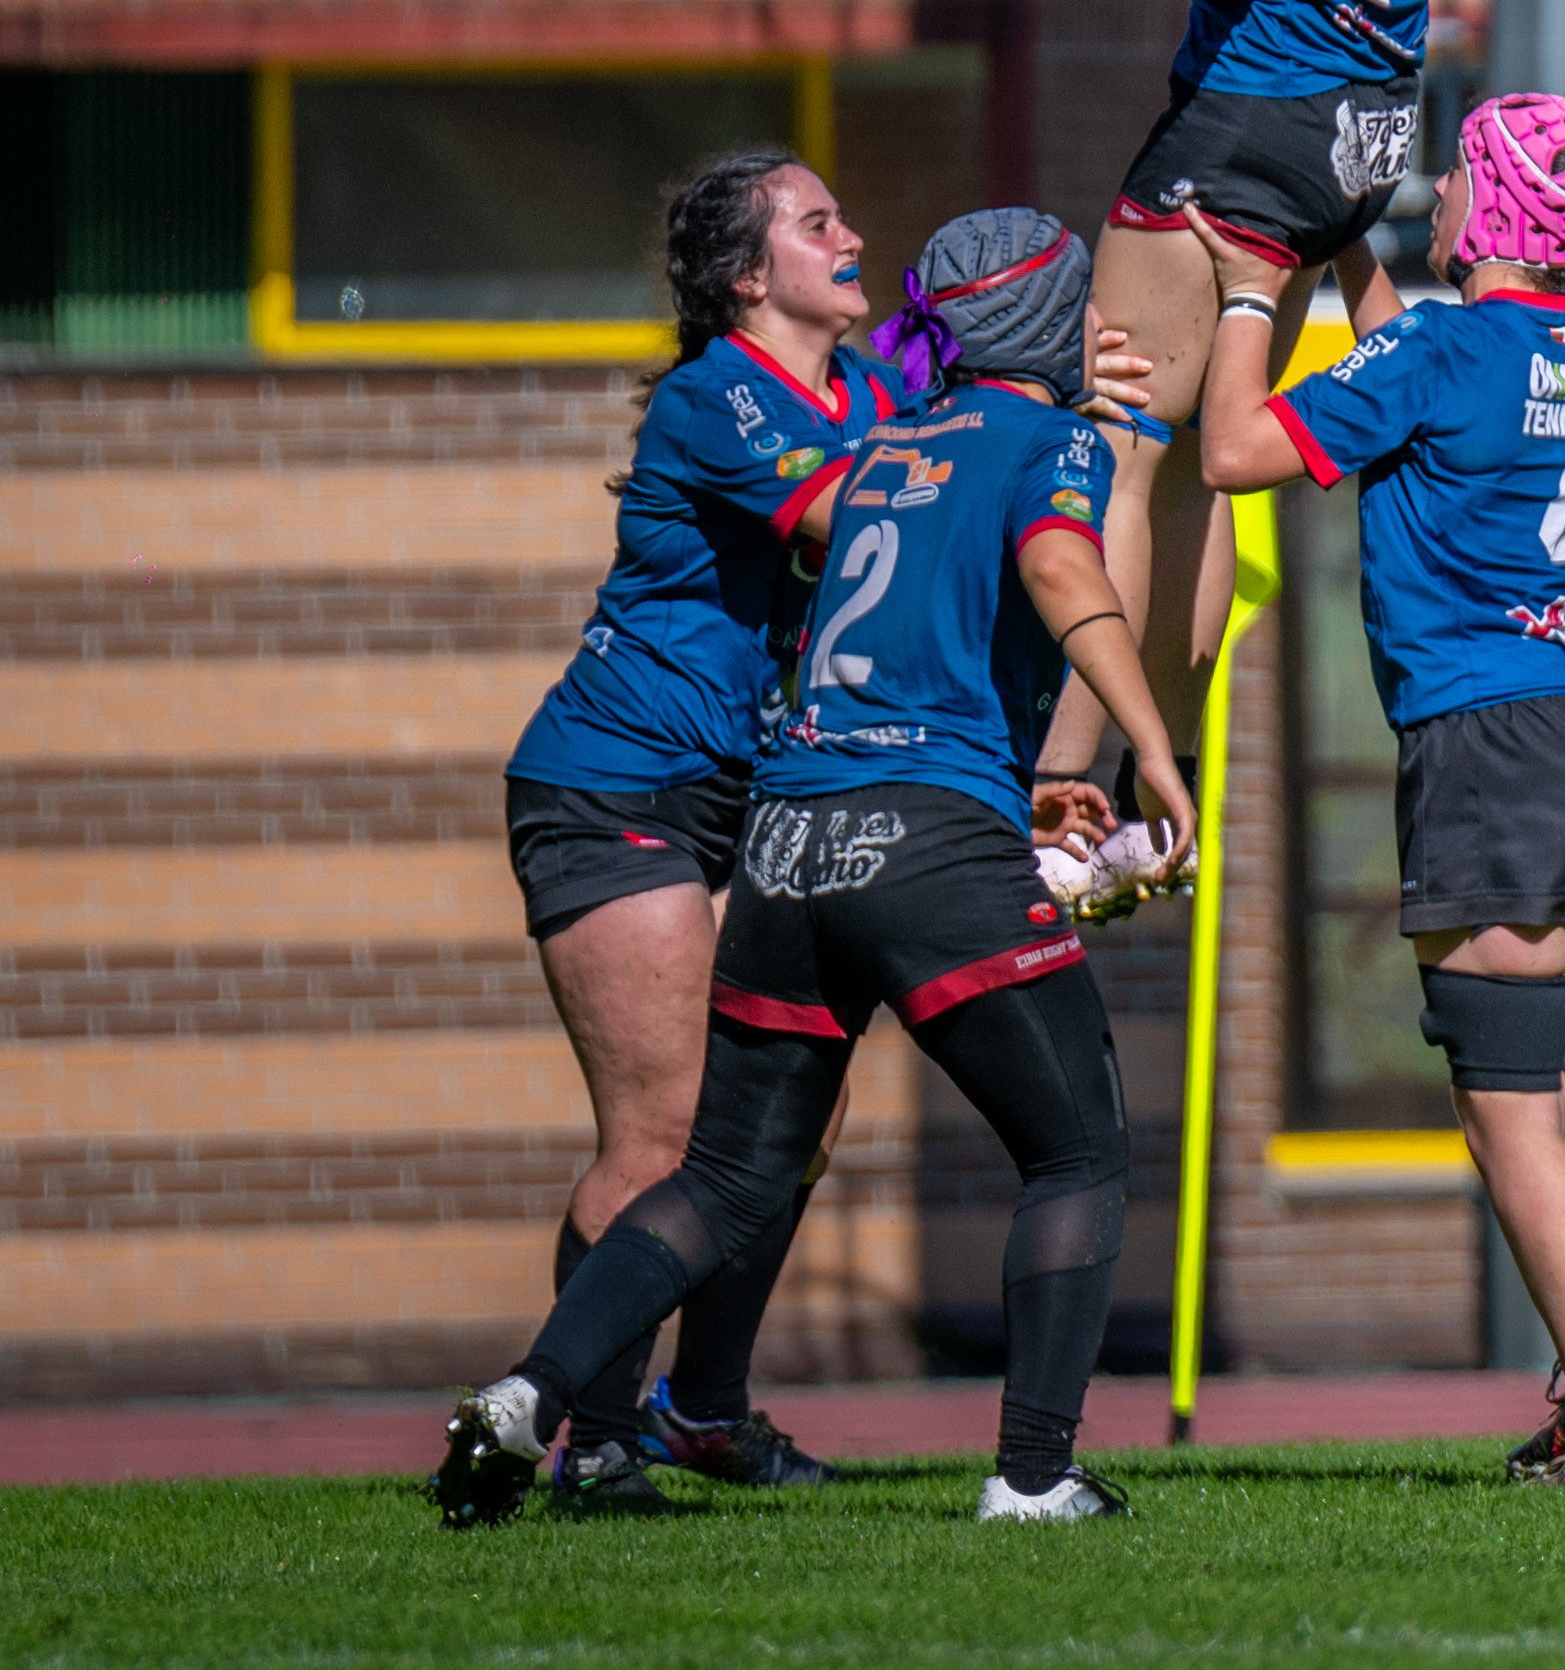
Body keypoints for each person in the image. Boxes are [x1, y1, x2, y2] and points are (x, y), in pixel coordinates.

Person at [437, 213, 1200, 1530]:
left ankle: (530, 1395)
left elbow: (906, 623)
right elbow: (1061, 562)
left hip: (787, 842)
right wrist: (1150, 748)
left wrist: (1016, 777)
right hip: (920, 836)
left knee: (727, 1178)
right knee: (1076, 1153)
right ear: (1045, 323)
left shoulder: (883, 443)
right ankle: (1034, 1476)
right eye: (1080, 309)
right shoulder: (1056, 437)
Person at [1051, 0, 1565, 862]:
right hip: (1362, 149)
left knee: (1120, 447)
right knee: (1211, 473)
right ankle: (1168, 784)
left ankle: (1084, 785)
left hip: (1248, 129)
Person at [1183, 93, 1565, 1490]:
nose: (1439, 193)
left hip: (1496, 740)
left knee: (1501, 1097)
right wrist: (1351, 254)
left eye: (1457, 178)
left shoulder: (1444, 352)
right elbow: (1422, 353)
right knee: (1538, 1073)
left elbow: (1234, 453)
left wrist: (1245, 297)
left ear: (1495, 216)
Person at [494, 150, 883, 1510]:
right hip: (621, 784)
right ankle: (593, 1440)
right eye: (816, 222)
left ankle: (702, 1410)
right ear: (745, 276)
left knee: (795, 1120)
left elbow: (969, 401)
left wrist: (1087, 391)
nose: (851, 234)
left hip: (752, 793)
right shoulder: (720, 396)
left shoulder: (871, 384)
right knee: (663, 1139)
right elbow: (853, 517)